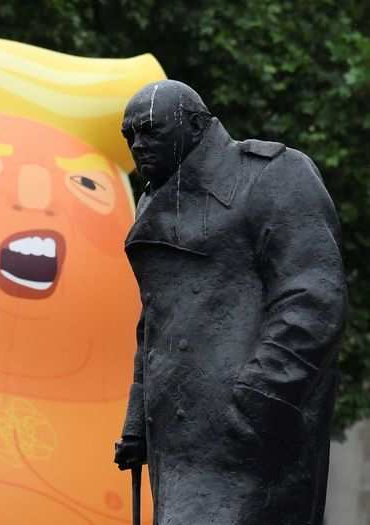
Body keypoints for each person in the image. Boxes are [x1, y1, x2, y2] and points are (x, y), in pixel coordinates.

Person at [114, 79, 347, 525]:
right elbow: (156, 322)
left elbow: (314, 294)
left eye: (150, 130)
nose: (138, 145)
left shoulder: (271, 174)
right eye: (130, 136)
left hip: (251, 435)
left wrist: (260, 398)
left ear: (197, 125)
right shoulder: (154, 199)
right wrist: (137, 420)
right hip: (177, 440)